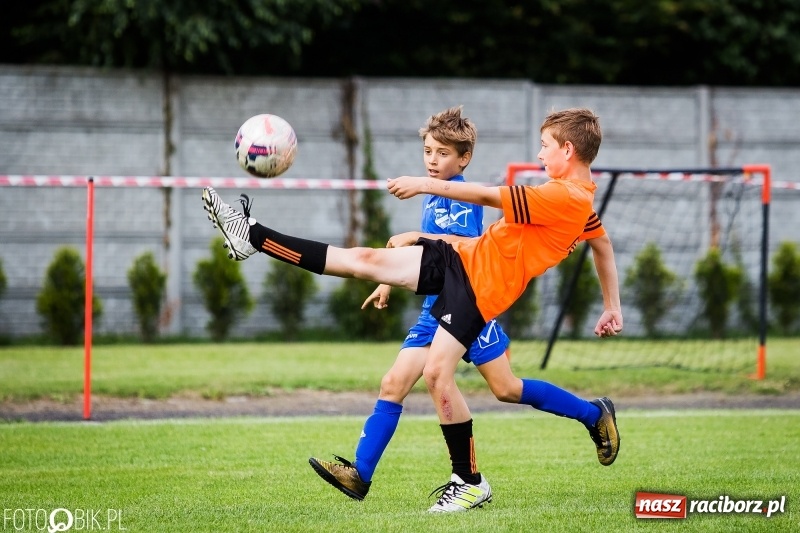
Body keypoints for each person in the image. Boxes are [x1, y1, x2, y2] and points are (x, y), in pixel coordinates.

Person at [201, 107, 623, 512]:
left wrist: (423, 183)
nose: (539, 153)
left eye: (546, 145)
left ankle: (472, 483)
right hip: (461, 259)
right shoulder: (577, 202)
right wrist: (611, 305)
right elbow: (601, 245)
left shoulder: (564, 196)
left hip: (481, 291)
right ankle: (252, 236)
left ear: (568, 150)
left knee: (447, 376)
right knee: (363, 262)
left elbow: (485, 195)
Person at [308, 106, 510, 510]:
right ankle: (359, 475)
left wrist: (413, 237)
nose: (432, 160)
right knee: (393, 384)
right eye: (427, 152)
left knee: (508, 389)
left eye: (442, 153)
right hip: (434, 310)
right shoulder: (433, 196)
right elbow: (424, 258)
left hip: (466, 306)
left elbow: (458, 252)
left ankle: (591, 415)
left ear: (463, 158)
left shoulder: (462, 199)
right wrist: (387, 279)